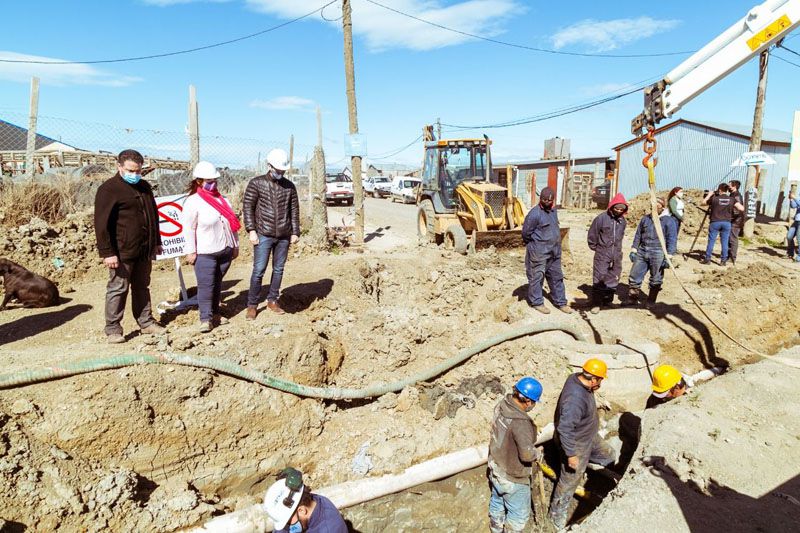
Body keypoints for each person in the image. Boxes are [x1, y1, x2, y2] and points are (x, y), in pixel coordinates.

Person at [94, 149, 165, 344]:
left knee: (142, 286)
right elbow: (101, 224)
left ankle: (146, 322)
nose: (134, 174)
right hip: (122, 250)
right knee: (118, 288)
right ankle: (113, 328)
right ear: (119, 167)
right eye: (130, 170)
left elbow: (153, 216)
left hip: (143, 249)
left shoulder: (144, 187)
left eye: (138, 170)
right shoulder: (109, 189)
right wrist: (107, 252)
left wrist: (156, 241)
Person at [549, 358, 616, 530]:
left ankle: (593, 478)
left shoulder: (576, 378)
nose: (601, 383)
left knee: (608, 455)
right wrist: (571, 455)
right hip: (575, 443)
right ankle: (555, 517)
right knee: (569, 482)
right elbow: (565, 428)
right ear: (593, 379)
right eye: (600, 380)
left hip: (588, 436)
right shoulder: (575, 399)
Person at [183, 161, 240, 333]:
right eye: (209, 180)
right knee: (206, 286)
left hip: (225, 249)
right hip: (205, 252)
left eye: (215, 180)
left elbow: (232, 223)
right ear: (199, 181)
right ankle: (205, 318)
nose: (213, 183)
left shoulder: (223, 200)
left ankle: (215, 313)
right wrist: (191, 251)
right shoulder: (193, 202)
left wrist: (235, 245)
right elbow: (188, 228)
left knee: (216, 283)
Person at [243, 148, 300, 318]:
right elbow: (248, 207)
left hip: (284, 235)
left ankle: (272, 300)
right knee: (259, 269)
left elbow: (294, 209)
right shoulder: (257, 183)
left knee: (278, 269)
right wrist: (251, 230)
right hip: (263, 234)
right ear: (269, 166)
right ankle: (252, 304)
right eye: (278, 170)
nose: (280, 173)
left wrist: (295, 231)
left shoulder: (289, 186)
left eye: (283, 170)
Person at [488, 377, 544, 533]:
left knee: (498, 502)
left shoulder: (502, 405)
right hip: (513, 477)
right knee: (518, 517)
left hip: (496, 466)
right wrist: (537, 453)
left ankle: (496, 528)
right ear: (528, 401)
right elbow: (526, 455)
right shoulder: (521, 422)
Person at [522, 187, 572, 315]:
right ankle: (537, 302)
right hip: (539, 251)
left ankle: (560, 302)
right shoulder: (534, 213)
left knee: (557, 277)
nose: (547, 202)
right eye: (545, 200)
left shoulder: (553, 211)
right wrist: (537, 245)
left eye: (550, 200)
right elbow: (526, 233)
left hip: (554, 251)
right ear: (540, 199)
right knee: (537, 276)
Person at [627, 198, 678, 307]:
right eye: (652, 207)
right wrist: (634, 249)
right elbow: (638, 235)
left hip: (658, 252)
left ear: (663, 208)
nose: (653, 210)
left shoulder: (669, 221)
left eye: (656, 207)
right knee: (634, 275)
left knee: (656, 278)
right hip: (643, 250)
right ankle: (633, 298)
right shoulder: (646, 219)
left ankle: (651, 301)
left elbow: (672, 239)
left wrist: (669, 256)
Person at [265, 468, 347, 533]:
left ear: (302, 510)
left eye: (288, 522)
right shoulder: (312, 501)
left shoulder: (330, 529)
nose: (288, 527)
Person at [587, 193, 628, 313]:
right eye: (616, 208)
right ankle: (596, 303)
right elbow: (592, 235)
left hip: (616, 253)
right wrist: (598, 249)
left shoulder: (622, 221)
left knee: (613, 277)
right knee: (599, 277)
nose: (618, 211)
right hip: (602, 253)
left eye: (621, 209)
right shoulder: (601, 218)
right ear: (612, 207)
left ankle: (608, 300)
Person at [701, 183, 744, 266]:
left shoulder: (714, 199)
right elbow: (741, 208)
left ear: (719, 190)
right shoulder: (731, 199)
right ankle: (723, 260)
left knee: (711, 241)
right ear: (727, 190)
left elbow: (703, 203)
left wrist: (709, 195)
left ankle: (707, 259)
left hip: (715, 222)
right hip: (726, 223)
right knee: (724, 242)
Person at [728, 180, 745, 265]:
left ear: (734, 186)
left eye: (730, 185)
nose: (728, 187)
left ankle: (732, 257)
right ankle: (729, 256)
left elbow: (738, 210)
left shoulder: (737, 196)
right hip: (734, 220)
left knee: (733, 239)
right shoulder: (732, 195)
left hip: (736, 221)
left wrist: (730, 217)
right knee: (729, 239)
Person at [786, 189, 800, 261]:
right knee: (789, 236)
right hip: (796, 221)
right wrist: (791, 199)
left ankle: (799, 257)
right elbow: (793, 206)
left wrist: (794, 197)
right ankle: (790, 252)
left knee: (799, 239)